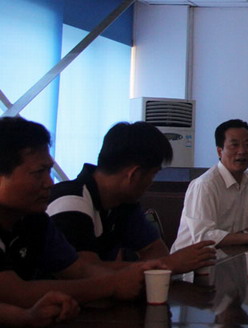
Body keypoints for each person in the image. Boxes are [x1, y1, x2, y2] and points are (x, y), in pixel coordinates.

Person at [0, 116, 158, 308]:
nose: (49, 183)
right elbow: (15, 293)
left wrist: (135, 278)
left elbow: (78, 270)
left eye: (49, 171)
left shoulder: (34, 220)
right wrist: (112, 285)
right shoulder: (72, 200)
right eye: (38, 172)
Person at [47, 122, 216, 274]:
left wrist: (163, 264)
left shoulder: (123, 204)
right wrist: (167, 264)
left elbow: (154, 250)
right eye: (153, 174)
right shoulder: (71, 201)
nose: (151, 182)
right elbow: (83, 272)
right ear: (133, 174)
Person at [172, 119, 248, 251]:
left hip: (232, 255)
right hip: (193, 261)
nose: (242, 151)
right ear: (219, 151)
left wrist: (246, 234)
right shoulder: (205, 185)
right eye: (234, 145)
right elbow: (204, 237)